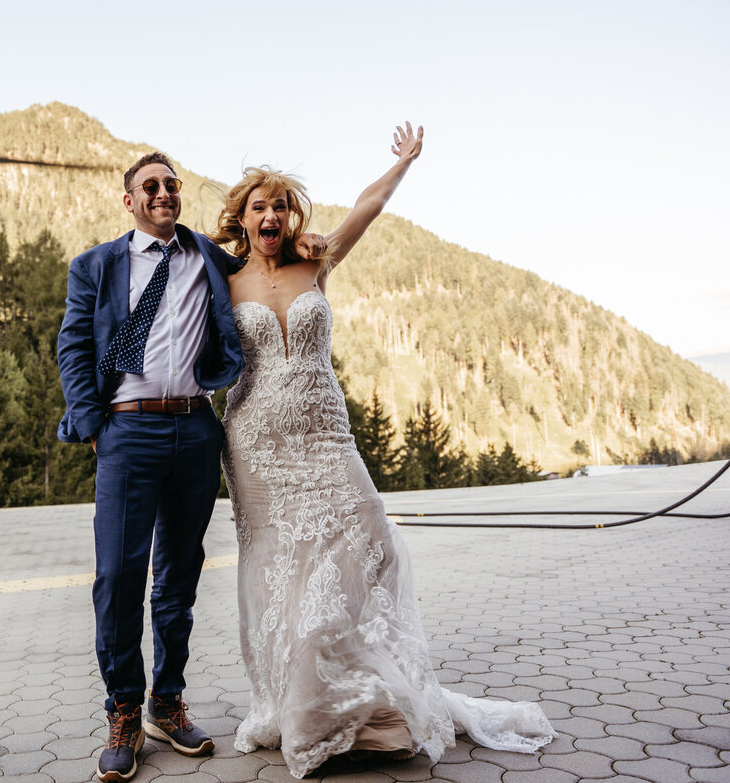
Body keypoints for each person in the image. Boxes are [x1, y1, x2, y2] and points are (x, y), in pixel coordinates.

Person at [210, 123, 556, 777]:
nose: (272, 215)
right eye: (260, 206)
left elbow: (366, 208)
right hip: (257, 444)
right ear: (243, 217)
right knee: (276, 574)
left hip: (325, 434)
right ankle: (299, 709)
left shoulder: (317, 260)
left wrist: (402, 163)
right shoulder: (222, 280)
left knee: (369, 542)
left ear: (292, 217)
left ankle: (364, 696)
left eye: (281, 206)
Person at [56, 151, 243, 782]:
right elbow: (74, 347)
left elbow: (270, 259)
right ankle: (124, 712)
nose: (164, 193)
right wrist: (96, 429)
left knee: (179, 575)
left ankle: (167, 702)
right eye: (151, 186)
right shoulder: (96, 266)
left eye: (171, 185)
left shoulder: (209, 259)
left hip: (195, 427)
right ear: (130, 199)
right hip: (126, 429)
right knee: (118, 576)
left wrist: (309, 238)